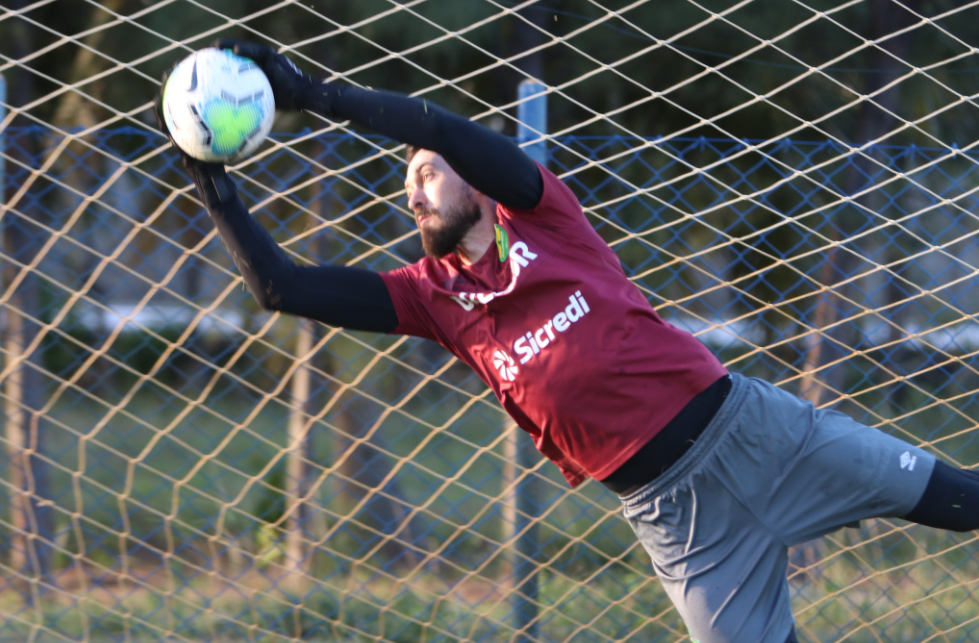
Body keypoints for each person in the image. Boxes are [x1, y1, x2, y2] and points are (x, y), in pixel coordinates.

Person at [155, 40, 979, 643]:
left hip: (757, 435)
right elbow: (280, 288)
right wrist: (211, 182)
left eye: (428, 169)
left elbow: (438, 120)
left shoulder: (542, 214)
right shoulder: (429, 298)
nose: (414, 183)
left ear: (478, 181)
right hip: (677, 520)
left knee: (964, 503)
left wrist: (315, 93)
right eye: (406, 180)